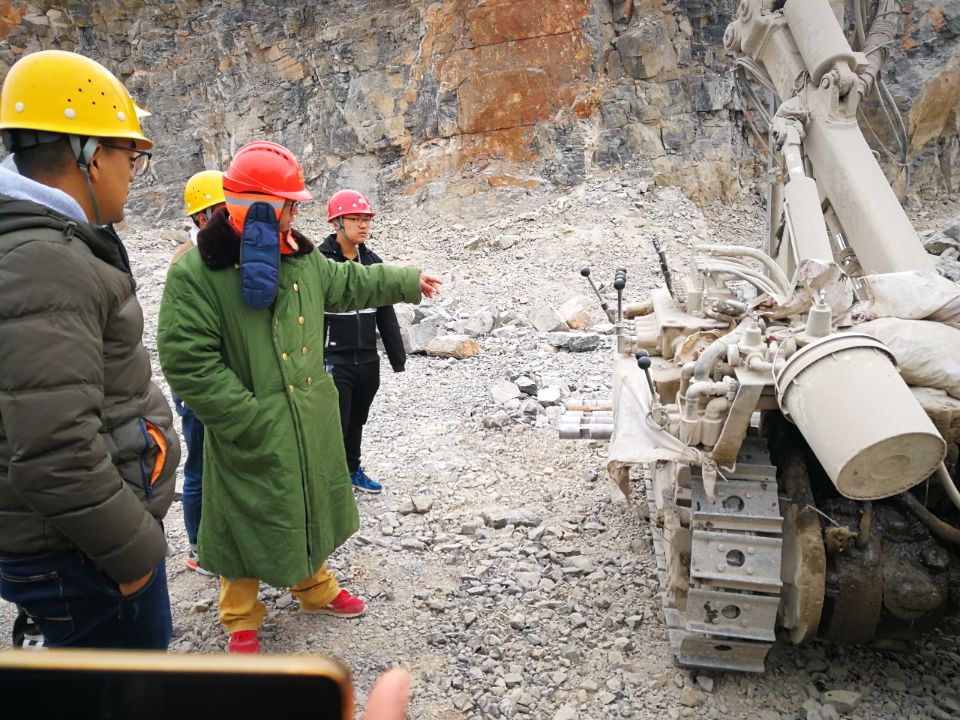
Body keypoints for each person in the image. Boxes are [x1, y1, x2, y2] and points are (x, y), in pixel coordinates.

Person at [157, 140, 442, 654]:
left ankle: (314, 589)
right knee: (242, 516)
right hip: (250, 425)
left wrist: (405, 279)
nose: (295, 214)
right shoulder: (196, 272)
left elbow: (348, 282)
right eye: (289, 204)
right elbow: (187, 362)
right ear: (261, 207)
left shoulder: (301, 258)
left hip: (307, 418)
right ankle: (240, 617)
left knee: (307, 501)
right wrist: (247, 418)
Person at [0, 50, 180, 649]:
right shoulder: (44, 261)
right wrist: (134, 555)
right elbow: (55, 452)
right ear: (92, 156)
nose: (134, 172)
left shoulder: (40, 245)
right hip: (81, 556)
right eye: (132, 156)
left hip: (70, 543)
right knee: (119, 690)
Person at [319, 190, 406, 494]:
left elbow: (386, 313)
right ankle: (331, 483)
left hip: (368, 360)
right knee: (334, 424)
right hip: (333, 361)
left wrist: (397, 357)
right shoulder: (320, 262)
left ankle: (352, 470)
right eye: (355, 219)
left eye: (366, 218)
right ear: (336, 223)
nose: (363, 224)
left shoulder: (372, 262)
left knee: (357, 419)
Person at [173, 170, 226, 575]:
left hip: (219, 375)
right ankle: (198, 548)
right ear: (202, 216)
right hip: (196, 380)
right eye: (225, 210)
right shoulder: (186, 261)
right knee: (200, 466)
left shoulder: (222, 252)